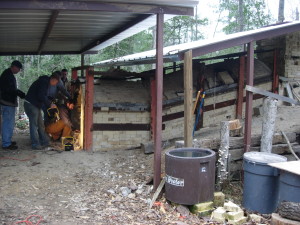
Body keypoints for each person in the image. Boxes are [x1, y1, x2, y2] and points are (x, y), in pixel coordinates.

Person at [24, 74, 60, 150]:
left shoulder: (45, 82)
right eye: (56, 83)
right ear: (53, 80)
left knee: (40, 124)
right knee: (34, 124)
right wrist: (50, 104)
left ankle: (45, 141)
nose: (55, 85)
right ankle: (35, 144)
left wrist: (50, 100)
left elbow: (43, 95)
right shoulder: (43, 82)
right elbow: (41, 95)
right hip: (31, 104)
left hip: (35, 105)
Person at [0, 60, 26, 150]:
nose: (19, 71)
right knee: (8, 123)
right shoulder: (7, 75)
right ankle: (6, 144)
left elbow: (11, 89)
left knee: (9, 123)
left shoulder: (8, 74)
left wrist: (18, 92)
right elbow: (10, 89)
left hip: (7, 102)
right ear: (14, 66)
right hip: (7, 102)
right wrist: (19, 93)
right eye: (18, 69)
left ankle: (7, 140)